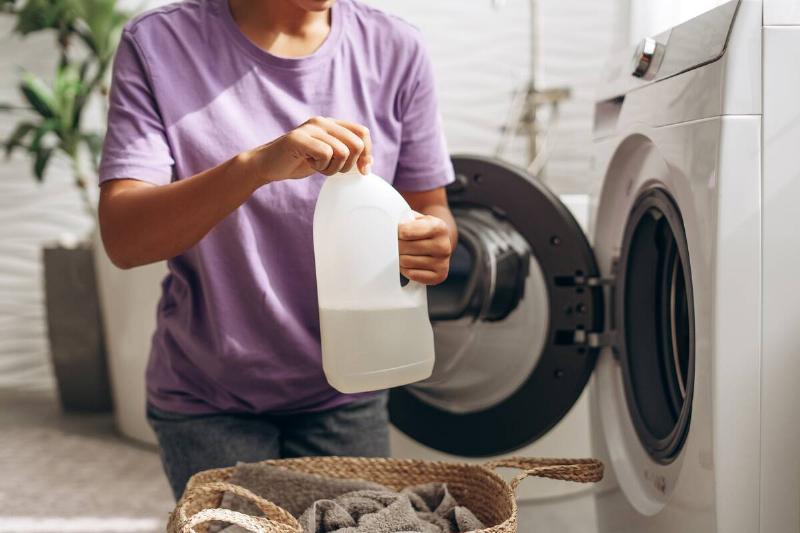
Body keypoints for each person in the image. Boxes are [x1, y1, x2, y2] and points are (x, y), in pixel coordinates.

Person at [97, 0, 457, 500]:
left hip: (349, 386)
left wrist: (433, 241)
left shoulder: (395, 47)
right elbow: (124, 239)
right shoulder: (158, 43)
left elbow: (430, 206)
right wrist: (254, 168)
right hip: (208, 397)